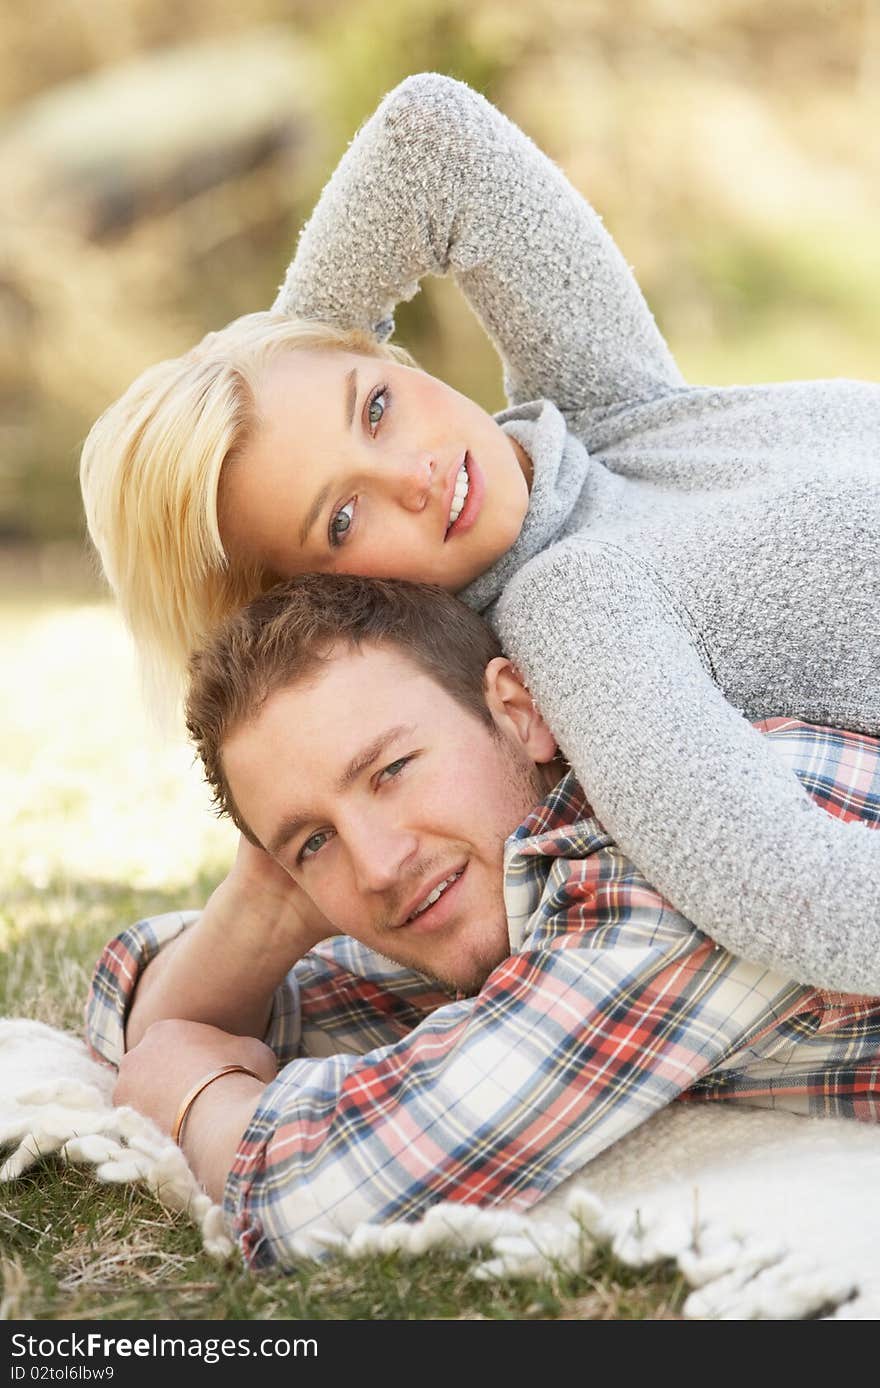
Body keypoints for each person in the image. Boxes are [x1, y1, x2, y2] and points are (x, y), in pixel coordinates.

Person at [78, 74, 880, 998]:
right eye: (341, 519)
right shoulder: (569, 611)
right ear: (328, 597)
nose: (413, 474)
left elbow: (432, 136)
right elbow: (795, 894)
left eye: (374, 406)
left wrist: (285, 347)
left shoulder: (610, 413)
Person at [87, 575, 880, 1272]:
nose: (379, 865)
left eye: (390, 771)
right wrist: (267, 906)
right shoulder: (517, 882)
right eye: (315, 840)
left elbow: (331, 1193)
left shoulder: (688, 856)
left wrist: (195, 1098)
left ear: (518, 710)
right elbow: (153, 1024)